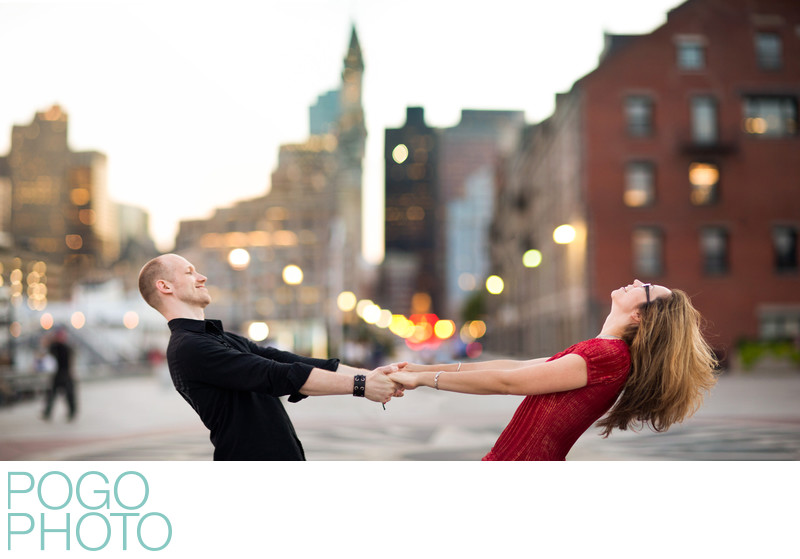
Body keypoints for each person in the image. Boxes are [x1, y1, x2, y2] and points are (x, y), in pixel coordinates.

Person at [389, 280, 719, 461]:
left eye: (644, 288)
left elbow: (508, 382)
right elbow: (512, 366)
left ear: (639, 316)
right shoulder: (604, 350)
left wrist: (425, 379)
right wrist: (424, 367)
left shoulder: (608, 355)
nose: (635, 282)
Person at [137, 253, 401, 460]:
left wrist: (373, 375)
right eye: (189, 272)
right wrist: (361, 386)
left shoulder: (221, 338)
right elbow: (274, 375)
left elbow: (286, 360)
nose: (202, 277)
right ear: (164, 286)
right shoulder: (189, 348)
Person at [41, 327, 77, 422]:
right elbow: (44, 344)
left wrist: (72, 373)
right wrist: (51, 336)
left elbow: (71, 361)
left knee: (69, 395)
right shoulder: (54, 347)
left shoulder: (67, 347)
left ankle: (72, 412)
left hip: (65, 374)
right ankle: (47, 412)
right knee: (51, 395)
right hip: (57, 374)